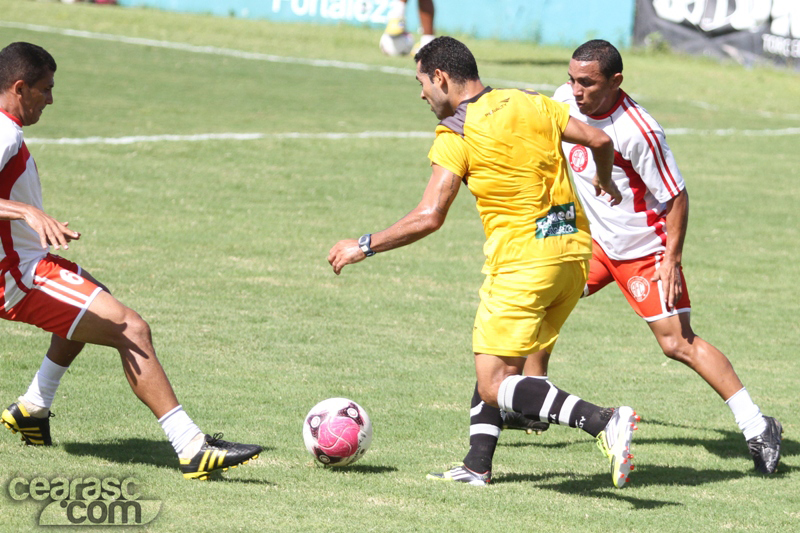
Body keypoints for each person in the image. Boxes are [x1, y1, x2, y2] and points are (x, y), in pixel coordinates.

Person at [329, 36, 640, 488]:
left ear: (440, 77)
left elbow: (429, 216)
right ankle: (477, 465)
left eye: (420, 83)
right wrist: (605, 181)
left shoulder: (456, 130)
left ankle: (602, 421)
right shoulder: (529, 101)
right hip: (572, 256)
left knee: (495, 383)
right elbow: (599, 139)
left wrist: (365, 244)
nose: (421, 94)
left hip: (523, 264)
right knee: (496, 366)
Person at [511, 39, 780, 474]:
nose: (576, 91)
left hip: (643, 251)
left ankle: (757, 425)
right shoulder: (564, 99)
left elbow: (676, 198)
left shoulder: (639, 131)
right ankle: (534, 398)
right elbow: (534, 109)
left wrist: (671, 258)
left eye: (588, 83)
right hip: (592, 243)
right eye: (572, 79)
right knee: (541, 301)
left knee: (677, 342)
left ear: (616, 82)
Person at [0, 42, 262, 480]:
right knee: (131, 328)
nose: (51, 99)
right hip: (17, 275)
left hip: (29, 262)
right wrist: (27, 211)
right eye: (45, 89)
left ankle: (32, 407)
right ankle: (191, 447)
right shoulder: (5, 133)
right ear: (20, 87)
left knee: (92, 304)